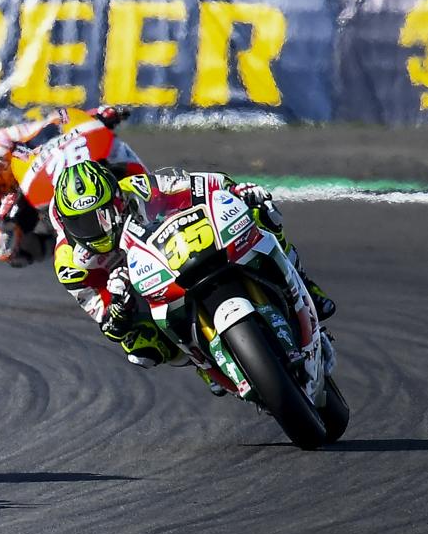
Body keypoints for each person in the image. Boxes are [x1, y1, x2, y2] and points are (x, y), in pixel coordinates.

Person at [47, 160, 336, 394]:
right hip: (134, 285)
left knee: (261, 214)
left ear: (118, 200)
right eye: (83, 223)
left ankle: (305, 283)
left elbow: (202, 184)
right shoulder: (71, 265)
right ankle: (202, 363)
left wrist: (238, 191)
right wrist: (120, 310)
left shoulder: (138, 189)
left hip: (176, 249)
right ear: (66, 224)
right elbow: (108, 324)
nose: (98, 228)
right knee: (140, 346)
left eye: (104, 214)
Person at [0, 106, 145, 267]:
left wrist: (92, 117)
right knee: (21, 255)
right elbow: (0, 250)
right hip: (17, 220)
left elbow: (47, 127)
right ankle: (68, 251)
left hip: (40, 179)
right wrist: (7, 222)